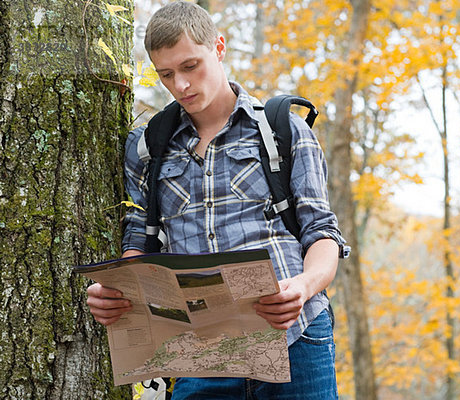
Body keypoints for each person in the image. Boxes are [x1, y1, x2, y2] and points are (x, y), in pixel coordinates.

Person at [86, 2, 345, 399]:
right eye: (167, 74)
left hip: (296, 338)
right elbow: (139, 240)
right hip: (200, 349)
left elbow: (322, 232)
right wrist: (117, 293)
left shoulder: (281, 130)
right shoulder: (147, 147)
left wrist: (304, 286)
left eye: (191, 66)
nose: (181, 86)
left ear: (219, 48)